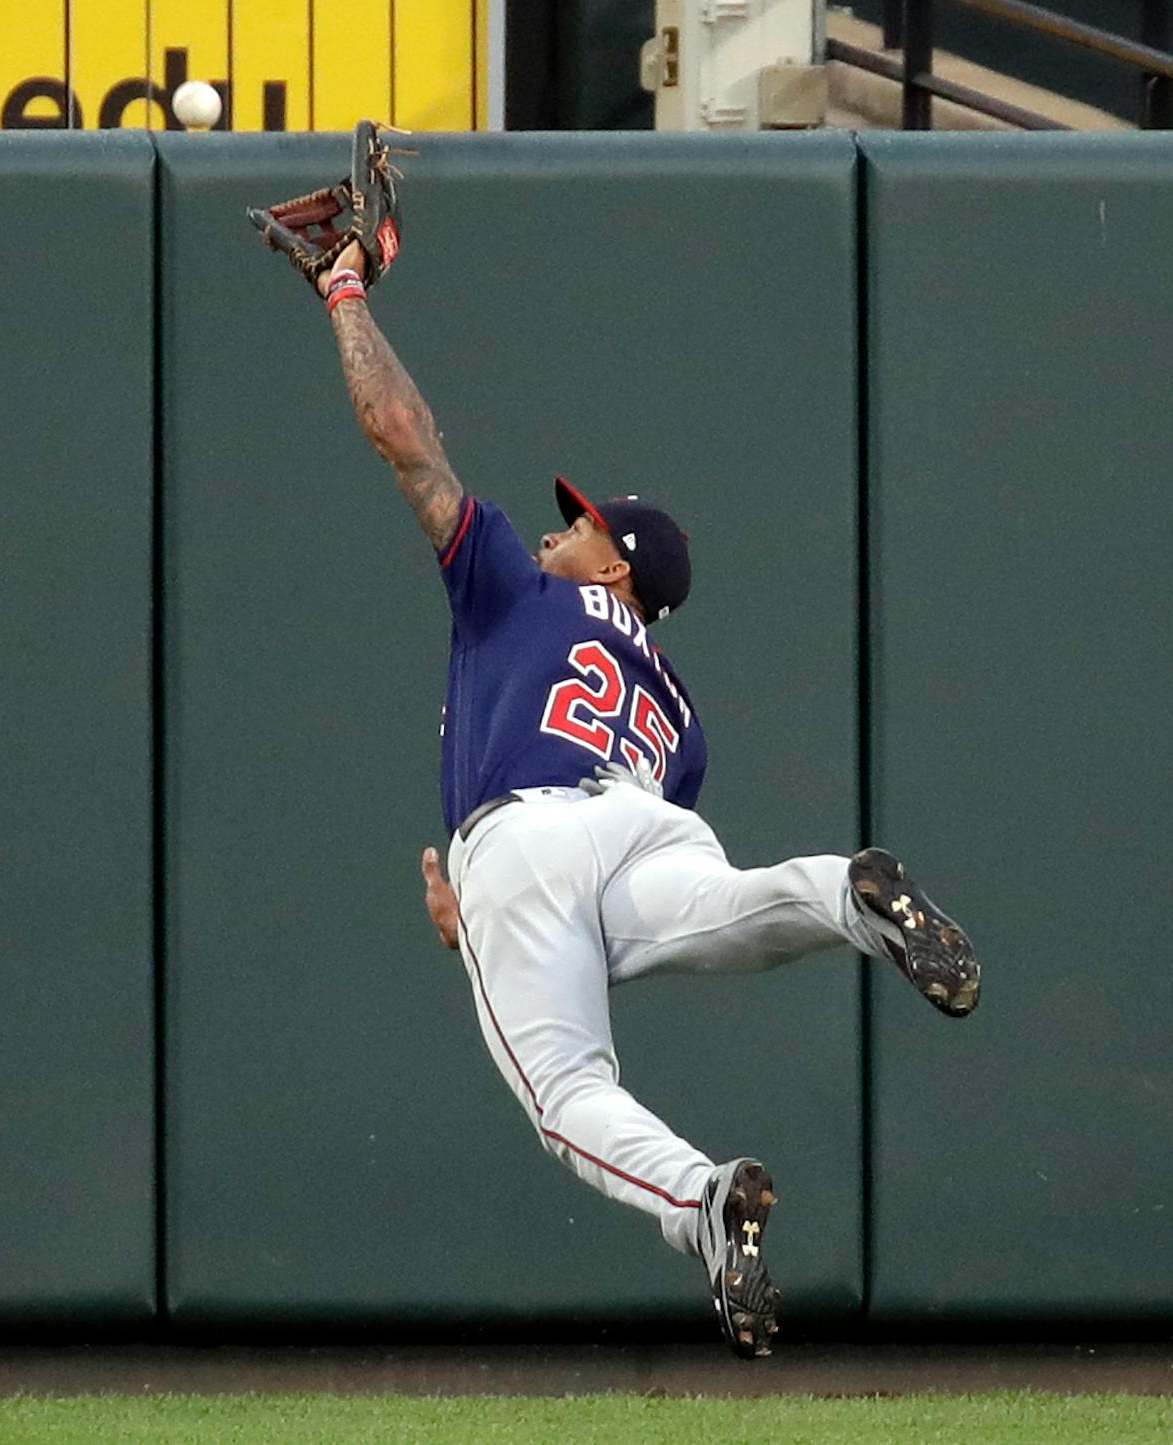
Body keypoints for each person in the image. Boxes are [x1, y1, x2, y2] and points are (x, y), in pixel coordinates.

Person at [298, 239, 981, 1360]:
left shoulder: (516, 586)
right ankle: (846, 898)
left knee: (567, 1090)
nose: (559, 528)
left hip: (521, 838)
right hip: (647, 814)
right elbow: (611, 880)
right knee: (733, 915)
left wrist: (342, 291)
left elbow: (403, 437)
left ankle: (697, 1200)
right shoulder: (681, 712)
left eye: (583, 526)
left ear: (613, 570)